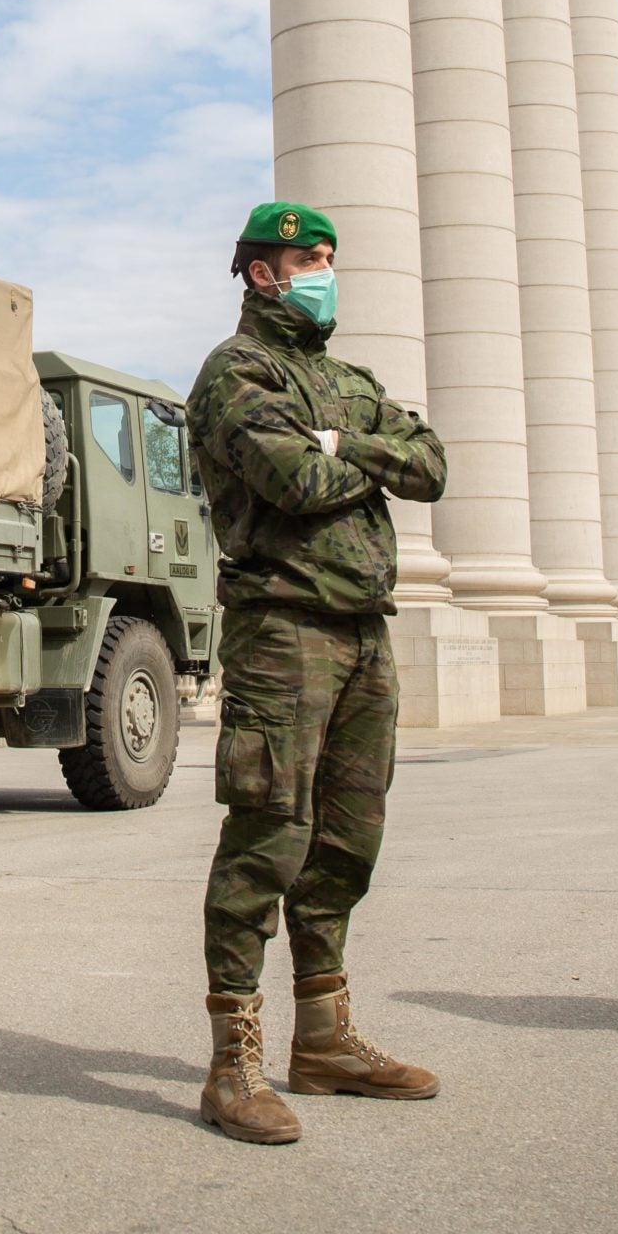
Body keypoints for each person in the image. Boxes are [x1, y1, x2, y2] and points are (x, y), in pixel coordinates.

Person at [184, 200, 448, 1145]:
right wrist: (354, 457)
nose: (326, 271)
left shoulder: (348, 378)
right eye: (310, 258)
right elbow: (293, 482)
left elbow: (434, 464)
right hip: (282, 632)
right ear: (264, 273)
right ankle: (233, 1064)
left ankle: (326, 1038)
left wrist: (347, 444)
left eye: (331, 257)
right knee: (267, 837)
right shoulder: (234, 374)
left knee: (347, 840)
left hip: (364, 632)